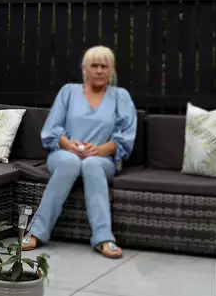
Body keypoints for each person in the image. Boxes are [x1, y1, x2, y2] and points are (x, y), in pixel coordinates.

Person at [22, 45, 136, 259]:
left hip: (101, 159)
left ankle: (103, 238)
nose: (99, 70)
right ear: (85, 69)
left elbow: (126, 136)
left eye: (104, 66)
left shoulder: (121, 97)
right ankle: (36, 232)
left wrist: (99, 150)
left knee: (91, 164)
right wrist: (68, 145)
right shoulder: (68, 92)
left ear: (111, 70)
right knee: (70, 162)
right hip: (64, 154)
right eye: (94, 65)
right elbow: (51, 129)